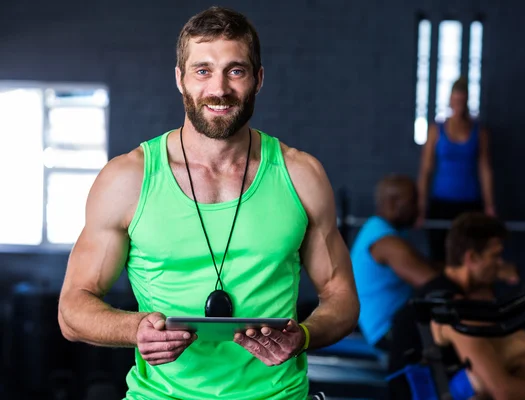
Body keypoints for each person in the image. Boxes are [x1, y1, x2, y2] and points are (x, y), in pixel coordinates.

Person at [57, 7, 359, 400]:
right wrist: (136, 330)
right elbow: (72, 309)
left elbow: (342, 296)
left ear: (258, 79)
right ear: (180, 79)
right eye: (202, 71)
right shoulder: (127, 179)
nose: (219, 89)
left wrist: (303, 335)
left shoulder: (301, 175)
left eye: (236, 70)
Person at [421, 213, 525, 400]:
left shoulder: (456, 290)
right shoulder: (454, 309)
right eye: (496, 256)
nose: (500, 264)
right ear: (472, 258)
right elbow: (502, 391)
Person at [350, 175, 436, 349]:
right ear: (393, 204)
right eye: (413, 201)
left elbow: (426, 265)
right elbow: (433, 282)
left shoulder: (383, 229)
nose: (418, 207)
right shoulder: (386, 242)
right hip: (386, 331)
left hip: (394, 322)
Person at [417, 77, 495, 266]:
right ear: (450, 101)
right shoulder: (437, 130)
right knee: (439, 256)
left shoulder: (479, 131)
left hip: (469, 204)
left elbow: (485, 169)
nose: (458, 104)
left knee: (469, 257)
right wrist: (420, 206)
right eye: (455, 100)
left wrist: (490, 205)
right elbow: (426, 169)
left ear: (467, 101)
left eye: (462, 100)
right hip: (441, 203)